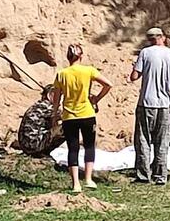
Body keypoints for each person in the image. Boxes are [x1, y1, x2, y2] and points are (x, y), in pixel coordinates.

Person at [51, 44, 113, 193]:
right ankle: (89, 179)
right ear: (81, 56)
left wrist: (54, 114)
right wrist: (96, 98)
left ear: (68, 57)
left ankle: (75, 184)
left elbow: (56, 98)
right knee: (89, 146)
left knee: (73, 148)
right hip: (87, 114)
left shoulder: (61, 74)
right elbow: (108, 84)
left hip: (69, 116)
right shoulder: (89, 70)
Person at [130, 27, 170, 185]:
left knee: (143, 139)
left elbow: (134, 76)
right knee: (162, 140)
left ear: (149, 40)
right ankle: (160, 175)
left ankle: (143, 174)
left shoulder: (145, 53)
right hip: (165, 103)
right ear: (163, 38)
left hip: (146, 101)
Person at [17, 85, 64, 157]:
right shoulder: (46, 106)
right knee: (68, 126)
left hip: (27, 146)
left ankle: (43, 152)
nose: (60, 99)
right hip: (34, 145)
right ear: (49, 95)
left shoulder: (37, 106)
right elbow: (66, 116)